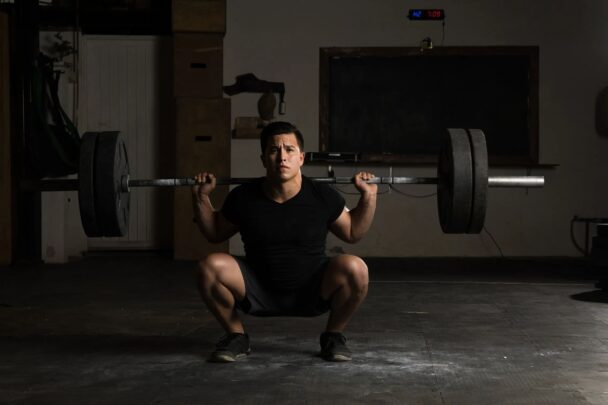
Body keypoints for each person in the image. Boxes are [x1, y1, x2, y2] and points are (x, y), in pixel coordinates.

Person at [191, 121, 377, 363]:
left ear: (301, 157)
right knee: (209, 267)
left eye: (289, 150)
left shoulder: (322, 195)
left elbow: (353, 232)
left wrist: (369, 197)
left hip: (312, 290)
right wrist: (201, 197)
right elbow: (215, 233)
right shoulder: (243, 196)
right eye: (273, 150)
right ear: (263, 159)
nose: (282, 157)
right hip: (257, 289)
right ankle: (236, 336)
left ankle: (334, 336)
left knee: (356, 269)